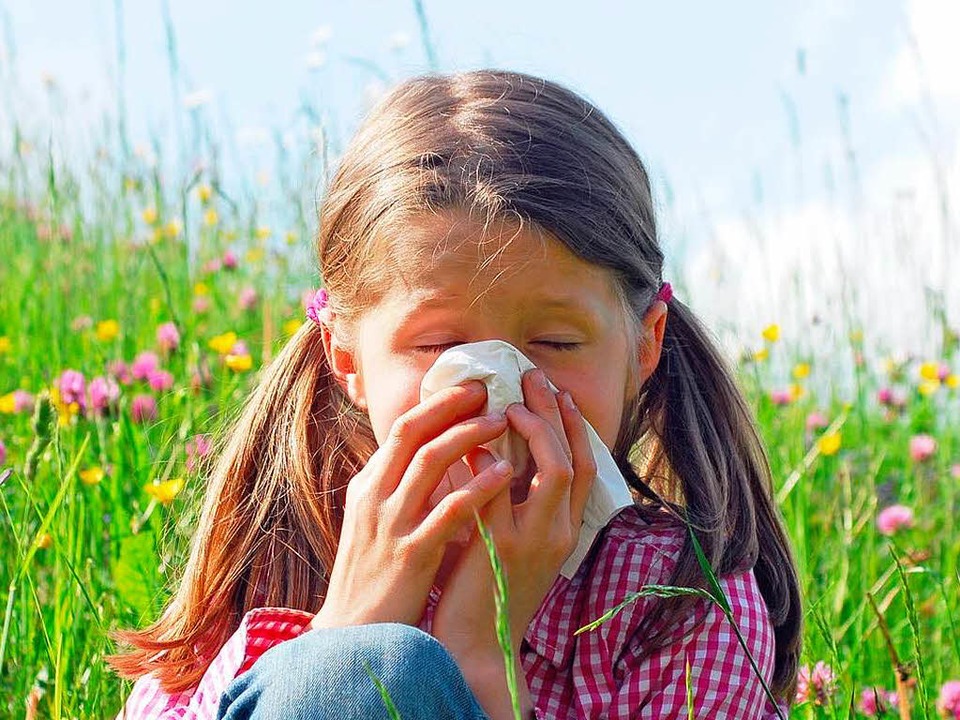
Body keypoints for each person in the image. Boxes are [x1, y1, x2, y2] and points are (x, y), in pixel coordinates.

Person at [110, 69, 802, 719]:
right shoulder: (278, 567)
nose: (497, 387)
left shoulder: (676, 603)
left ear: (644, 344)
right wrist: (348, 634)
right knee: (368, 666)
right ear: (346, 357)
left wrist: (481, 654)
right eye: (437, 347)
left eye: (556, 344)